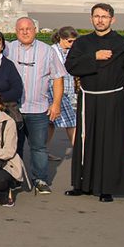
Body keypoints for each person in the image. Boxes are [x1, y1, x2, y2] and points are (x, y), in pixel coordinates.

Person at [64, 3, 124, 202]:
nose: (100, 20)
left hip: (113, 100)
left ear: (112, 19)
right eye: (96, 16)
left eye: (104, 16)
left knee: (109, 144)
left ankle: (107, 187)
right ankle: (82, 184)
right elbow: (71, 66)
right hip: (88, 99)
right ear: (91, 19)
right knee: (86, 141)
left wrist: (123, 104)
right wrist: (93, 57)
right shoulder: (82, 43)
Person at [6, 17, 64, 195]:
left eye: (28, 28)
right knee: (13, 146)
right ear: (16, 31)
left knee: (39, 147)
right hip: (14, 108)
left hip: (38, 109)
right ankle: (15, 178)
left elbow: (58, 78)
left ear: (35, 30)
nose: (25, 32)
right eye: (21, 29)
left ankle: (40, 179)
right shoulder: (8, 49)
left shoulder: (47, 51)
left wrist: (56, 104)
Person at [47, 27, 79, 157]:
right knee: (71, 122)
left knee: (50, 124)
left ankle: (42, 151)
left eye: (74, 41)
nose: (72, 44)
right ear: (61, 39)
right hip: (56, 92)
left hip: (68, 91)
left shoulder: (70, 52)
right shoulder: (52, 51)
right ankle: (81, 153)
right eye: (70, 41)